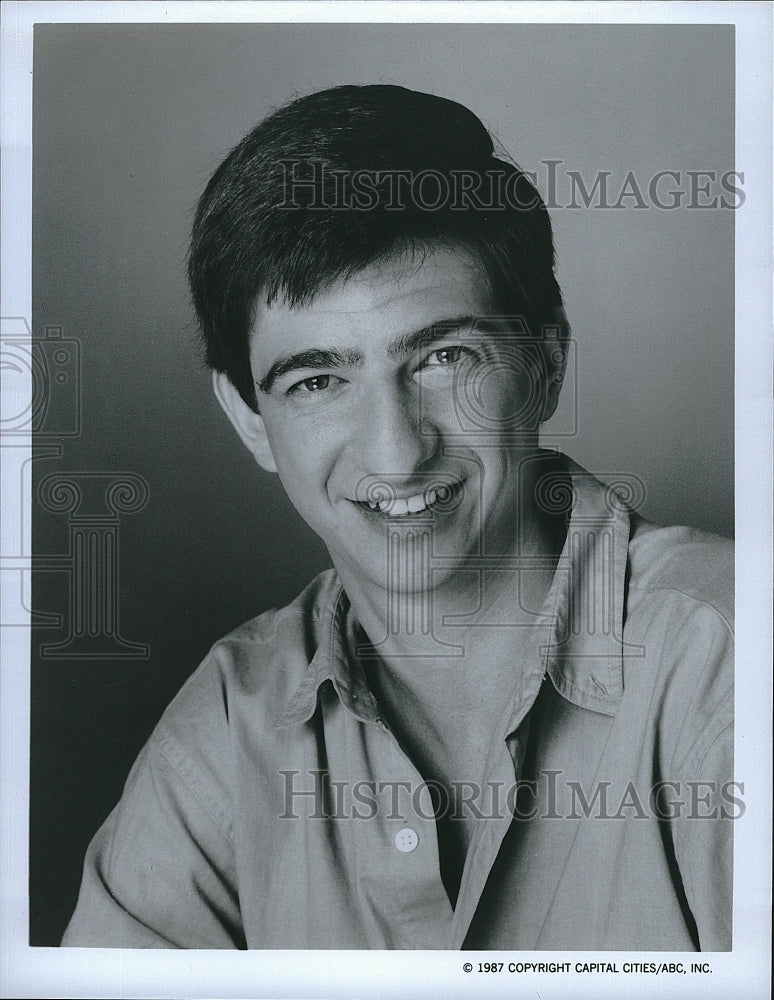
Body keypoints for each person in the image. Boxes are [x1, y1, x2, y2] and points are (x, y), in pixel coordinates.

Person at [62, 84, 734, 950]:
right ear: (247, 419)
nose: (395, 453)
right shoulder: (232, 723)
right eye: (317, 381)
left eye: (445, 356)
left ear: (545, 365)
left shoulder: (728, 670)